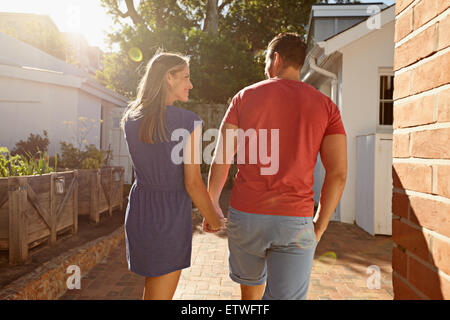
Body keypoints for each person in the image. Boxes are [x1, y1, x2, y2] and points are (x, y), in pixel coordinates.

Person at [206, 33, 348, 300]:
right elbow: (338, 174)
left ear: (277, 58)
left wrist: (212, 202)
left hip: (246, 217)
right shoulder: (327, 107)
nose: (264, 68)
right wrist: (320, 225)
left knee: (250, 296)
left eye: (265, 60)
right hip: (295, 221)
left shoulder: (244, 97)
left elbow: (222, 156)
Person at [121, 51, 225, 300]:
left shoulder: (131, 118)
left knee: (152, 290)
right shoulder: (188, 121)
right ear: (169, 77)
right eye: (186, 77)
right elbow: (192, 182)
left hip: (140, 211)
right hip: (168, 216)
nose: (191, 84)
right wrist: (214, 220)